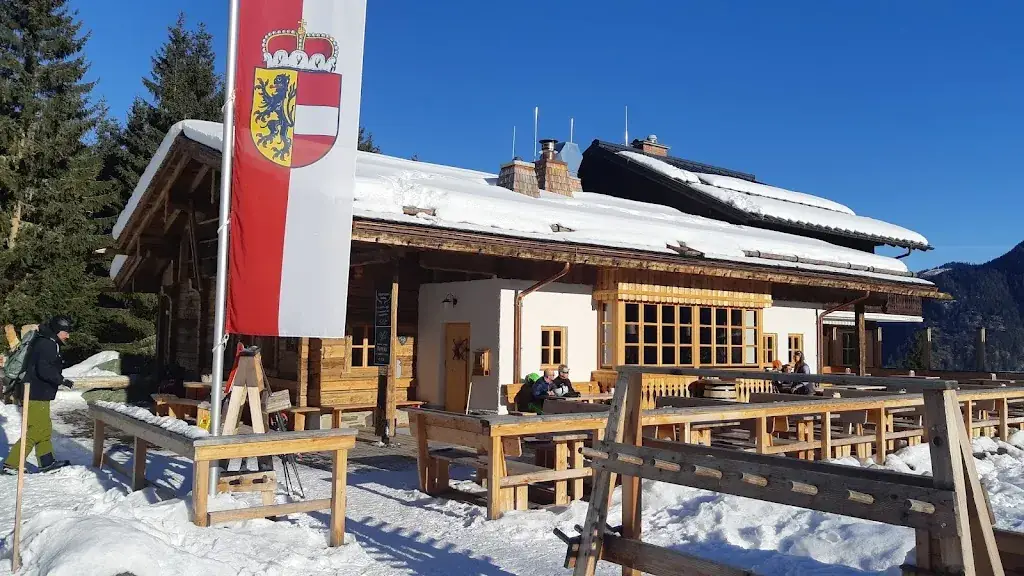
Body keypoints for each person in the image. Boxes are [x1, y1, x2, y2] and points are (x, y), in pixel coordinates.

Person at [2, 316, 75, 474]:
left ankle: (47, 462)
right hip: (36, 393)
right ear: (57, 331)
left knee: (44, 427)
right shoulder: (47, 344)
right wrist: (62, 380)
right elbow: (44, 370)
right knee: (36, 430)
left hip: (38, 392)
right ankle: (12, 464)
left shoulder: (45, 340)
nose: (68, 336)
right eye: (65, 332)